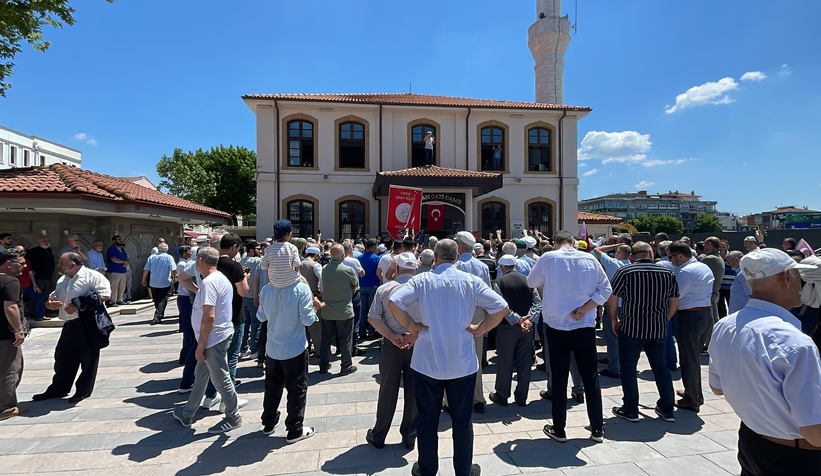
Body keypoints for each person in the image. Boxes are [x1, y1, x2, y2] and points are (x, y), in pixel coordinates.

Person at [389, 239, 509, 476]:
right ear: (457, 256)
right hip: (461, 362)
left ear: (435, 258)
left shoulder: (422, 280)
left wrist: (411, 325)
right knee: (463, 422)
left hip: (428, 361)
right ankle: (463, 470)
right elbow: (501, 307)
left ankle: (427, 468)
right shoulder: (471, 281)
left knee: (427, 420)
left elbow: (395, 302)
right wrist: (481, 329)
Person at [708, 248, 821, 473]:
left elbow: (717, 388)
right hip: (796, 457)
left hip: (751, 442)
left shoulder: (724, 325)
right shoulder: (795, 342)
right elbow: (814, 433)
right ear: (786, 276)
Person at [527, 230, 612, 444]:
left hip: (556, 326)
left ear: (555, 244)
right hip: (583, 325)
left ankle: (560, 429)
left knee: (559, 377)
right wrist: (583, 309)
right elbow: (605, 290)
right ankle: (597, 429)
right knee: (591, 378)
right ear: (573, 243)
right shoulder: (590, 259)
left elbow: (531, 281)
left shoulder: (548, 257)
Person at [173, 247, 245, 433]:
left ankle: (234, 416)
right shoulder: (220, 279)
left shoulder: (209, 282)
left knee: (221, 378)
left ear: (200, 261)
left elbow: (209, 316)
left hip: (213, 338)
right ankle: (188, 413)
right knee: (202, 375)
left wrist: (201, 346)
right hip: (216, 336)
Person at [608, 242, 679, 423]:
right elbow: (674, 300)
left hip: (632, 328)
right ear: (650, 252)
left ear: (632, 256)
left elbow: (613, 298)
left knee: (628, 368)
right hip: (657, 328)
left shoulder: (625, 272)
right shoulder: (667, 273)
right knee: (661, 369)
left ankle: (631, 409)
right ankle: (667, 408)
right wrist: (666, 319)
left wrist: (613, 320)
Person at [34, 252, 111, 403]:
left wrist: (78, 304)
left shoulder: (92, 276)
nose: (58, 266)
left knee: (88, 359)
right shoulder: (63, 279)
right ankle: (59, 388)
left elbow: (105, 295)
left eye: (61, 263)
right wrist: (50, 304)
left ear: (72, 264)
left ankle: (83, 390)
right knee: (62, 357)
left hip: (87, 323)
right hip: (69, 324)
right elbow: (54, 296)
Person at [257, 262, 319, 443]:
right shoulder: (301, 288)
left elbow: (261, 316)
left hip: (273, 347)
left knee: (272, 387)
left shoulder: (267, 289)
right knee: (297, 389)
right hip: (295, 347)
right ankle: (295, 429)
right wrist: (315, 308)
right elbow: (307, 320)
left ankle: (268, 423)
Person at [366, 251, 420, 450]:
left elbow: (373, 318)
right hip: (416, 344)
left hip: (391, 344)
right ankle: (410, 435)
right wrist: (413, 335)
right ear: (415, 269)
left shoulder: (385, 288)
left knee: (387, 390)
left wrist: (391, 336)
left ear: (396, 269)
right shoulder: (423, 288)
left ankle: (379, 434)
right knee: (414, 392)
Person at [665, 241, 714, 412]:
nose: (670, 260)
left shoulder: (686, 271)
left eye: (671, 257)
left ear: (680, 256)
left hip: (689, 317)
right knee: (693, 358)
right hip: (704, 315)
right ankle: (694, 392)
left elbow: (675, 296)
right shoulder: (702, 266)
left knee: (688, 359)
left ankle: (692, 399)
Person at [489, 255, 541, 407]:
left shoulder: (499, 282)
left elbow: (500, 306)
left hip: (507, 327)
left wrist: (517, 319)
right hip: (527, 328)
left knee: (505, 361)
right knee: (525, 363)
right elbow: (538, 303)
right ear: (515, 265)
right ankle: (522, 397)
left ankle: (502, 395)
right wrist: (529, 320)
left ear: (501, 267)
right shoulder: (528, 280)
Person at [453, 231, 492, 413]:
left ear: (460, 246)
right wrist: (486, 322)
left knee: (453, 355)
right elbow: (488, 295)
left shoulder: (454, 265)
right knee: (476, 356)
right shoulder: (481, 266)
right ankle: (477, 398)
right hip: (477, 313)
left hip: (456, 312)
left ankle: (451, 399)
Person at [593, 243, 631, 379]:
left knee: (613, 337)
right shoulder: (631, 265)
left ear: (618, 252)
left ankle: (615, 368)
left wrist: (615, 244)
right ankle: (613, 359)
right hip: (628, 306)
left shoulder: (613, 263)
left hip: (614, 305)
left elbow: (596, 249)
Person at [319, 244, 358, 375]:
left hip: (328, 310)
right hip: (344, 311)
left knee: (326, 339)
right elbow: (355, 284)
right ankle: (346, 365)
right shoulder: (348, 270)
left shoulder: (324, 268)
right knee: (345, 339)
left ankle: (323, 365)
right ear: (343, 255)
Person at [0, 249, 27, 420]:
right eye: (21, 263)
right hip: (5, 335)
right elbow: (10, 307)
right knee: (10, 369)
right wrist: (18, 330)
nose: (24, 267)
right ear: (8, 264)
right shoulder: (10, 281)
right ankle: (6, 407)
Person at [260, 219, 302, 290]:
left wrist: (274, 275)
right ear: (287, 235)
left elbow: (264, 267)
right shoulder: (292, 248)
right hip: (291, 282)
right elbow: (297, 266)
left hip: (273, 283)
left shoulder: (268, 249)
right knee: (306, 285)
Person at [142, 243, 177, 324]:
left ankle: (159, 313)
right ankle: (158, 315)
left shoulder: (152, 257)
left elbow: (146, 269)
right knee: (163, 299)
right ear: (167, 249)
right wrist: (174, 278)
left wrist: (144, 279)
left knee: (156, 299)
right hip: (165, 282)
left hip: (153, 282)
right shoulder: (169, 257)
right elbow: (173, 269)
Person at [239, 242, 263, 359]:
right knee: (255, 324)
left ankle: (243, 348)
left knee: (245, 324)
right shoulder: (258, 261)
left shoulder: (240, 262)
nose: (260, 250)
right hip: (254, 297)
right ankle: (254, 349)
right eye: (258, 249)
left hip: (243, 297)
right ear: (252, 250)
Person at [357, 238, 381, 340]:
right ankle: (371, 331)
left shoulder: (359, 257)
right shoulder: (377, 258)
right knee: (372, 310)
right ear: (374, 247)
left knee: (362, 311)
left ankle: (361, 330)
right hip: (373, 285)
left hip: (362, 285)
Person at [26, 236, 55, 320]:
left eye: (47, 240)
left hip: (48, 278)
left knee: (45, 296)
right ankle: (34, 313)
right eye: (43, 240)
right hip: (38, 279)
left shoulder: (49, 250)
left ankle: (42, 313)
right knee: (37, 297)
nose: (46, 242)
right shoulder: (33, 251)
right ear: (38, 241)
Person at [106, 235, 129, 307]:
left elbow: (126, 258)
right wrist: (124, 262)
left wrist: (127, 262)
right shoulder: (112, 249)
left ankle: (120, 300)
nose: (120, 241)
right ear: (114, 241)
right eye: (118, 239)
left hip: (123, 271)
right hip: (114, 271)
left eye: (121, 239)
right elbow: (114, 259)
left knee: (122, 286)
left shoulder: (122, 249)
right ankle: (112, 301)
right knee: (114, 287)